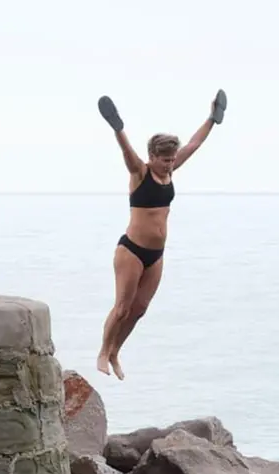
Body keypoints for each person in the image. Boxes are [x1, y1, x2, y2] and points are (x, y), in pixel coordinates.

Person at [95, 90, 228, 381]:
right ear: (152, 156)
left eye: (171, 159)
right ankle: (103, 352)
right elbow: (126, 152)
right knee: (122, 309)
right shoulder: (140, 172)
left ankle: (117, 351)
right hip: (131, 251)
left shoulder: (170, 171)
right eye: (164, 159)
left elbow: (194, 144)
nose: (169, 164)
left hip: (156, 256)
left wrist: (212, 119)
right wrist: (118, 129)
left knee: (140, 309)